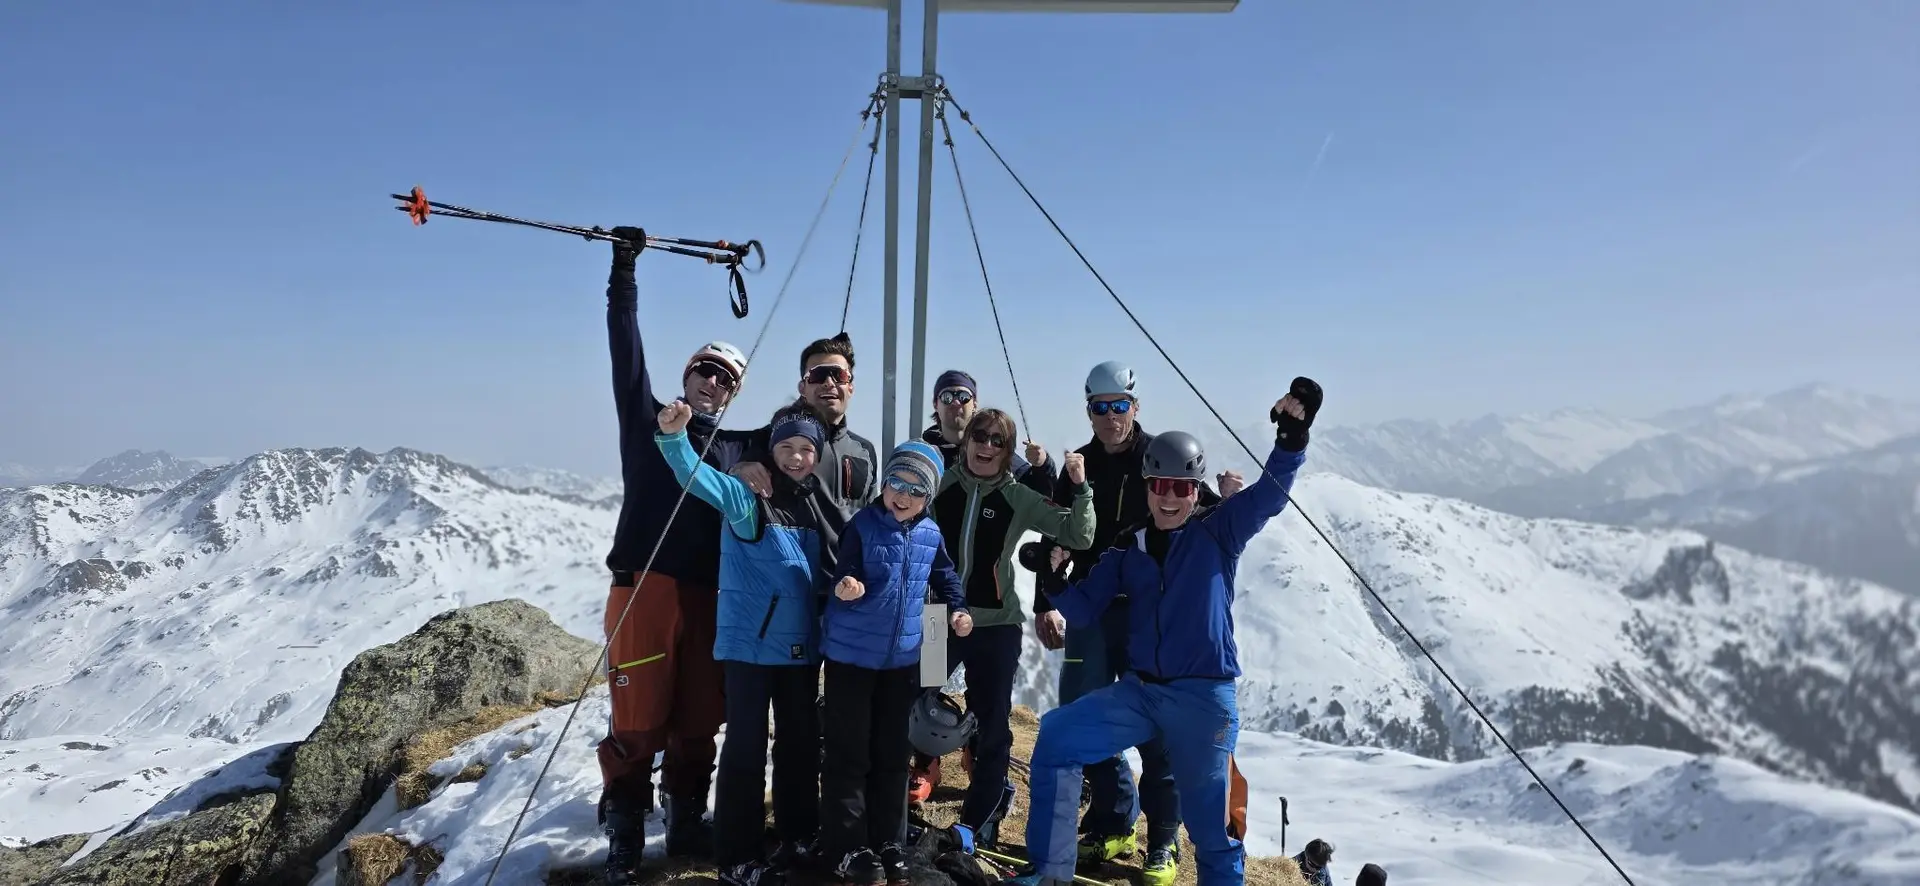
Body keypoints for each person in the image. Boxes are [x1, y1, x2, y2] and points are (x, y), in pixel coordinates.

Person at [1007, 376, 1323, 886]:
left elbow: (1270, 495)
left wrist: (1291, 438)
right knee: (1059, 736)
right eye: (1159, 485)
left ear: (1196, 491)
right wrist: (1054, 577)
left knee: (1210, 828)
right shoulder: (1127, 546)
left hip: (1203, 700)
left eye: (1181, 487)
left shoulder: (1218, 531)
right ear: (1147, 486)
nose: (1169, 497)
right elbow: (1083, 610)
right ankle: (1050, 872)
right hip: (1141, 693)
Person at [1024, 360, 1243, 886]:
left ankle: (1162, 841)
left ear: (1135, 406)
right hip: (1093, 606)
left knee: (1159, 736)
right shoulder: (1078, 467)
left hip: (1148, 614)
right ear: (1089, 411)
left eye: (1118, 405)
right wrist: (1044, 600)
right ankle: (1113, 820)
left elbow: (1201, 516)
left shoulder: (1158, 458)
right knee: (1082, 715)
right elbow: (1055, 536)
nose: (1109, 416)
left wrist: (1230, 500)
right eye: (1099, 407)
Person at [597, 226, 754, 883]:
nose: (713, 380)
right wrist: (624, 272)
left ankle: (687, 820)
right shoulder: (650, 418)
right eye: (705, 369)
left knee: (699, 717)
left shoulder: (740, 449)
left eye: (726, 377)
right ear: (687, 373)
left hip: (709, 595)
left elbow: (804, 436)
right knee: (637, 719)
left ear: (734, 393)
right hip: (643, 586)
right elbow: (625, 350)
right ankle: (626, 833)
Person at [655, 401, 835, 885]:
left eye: (805, 449)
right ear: (771, 449)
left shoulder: (814, 503)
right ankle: (737, 856)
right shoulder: (748, 496)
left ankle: (799, 836)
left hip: (799, 650)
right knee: (746, 751)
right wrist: (675, 439)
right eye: (786, 446)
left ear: (817, 456)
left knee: (799, 747)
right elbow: (697, 478)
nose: (795, 457)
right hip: (751, 650)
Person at [914, 408, 1096, 849]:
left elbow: (1079, 534)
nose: (987, 445)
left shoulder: (1017, 496)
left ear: (1007, 450)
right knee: (911, 704)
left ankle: (976, 824)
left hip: (995, 625)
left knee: (992, 724)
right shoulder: (941, 485)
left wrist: (1080, 486)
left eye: (998, 440)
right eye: (981, 436)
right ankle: (905, 790)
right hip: (938, 616)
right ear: (967, 441)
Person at [819, 440, 974, 886]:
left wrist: (958, 610)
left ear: (928, 496)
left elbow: (946, 576)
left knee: (892, 754)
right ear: (883, 484)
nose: (903, 495)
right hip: (852, 657)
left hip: (901, 661)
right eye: (895, 483)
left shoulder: (931, 534)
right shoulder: (862, 525)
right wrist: (847, 584)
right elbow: (844, 568)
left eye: (915, 488)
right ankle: (846, 847)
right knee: (849, 753)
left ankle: (888, 840)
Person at [732, 332, 880, 526]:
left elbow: (873, 518)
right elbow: (733, 474)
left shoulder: (865, 450)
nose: (829, 383)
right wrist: (738, 469)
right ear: (802, 388)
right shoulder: (770, 438)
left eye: (839, 376)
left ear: (850, 387)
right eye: (818, 375)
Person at [919, 368, 1058, 497]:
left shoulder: (993, 450)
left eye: (963, 396)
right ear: (935, 404)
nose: (955, 402)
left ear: (974, 404)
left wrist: (1042, 465)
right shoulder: (921, 454)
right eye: (947, 397)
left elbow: (1040, 495)